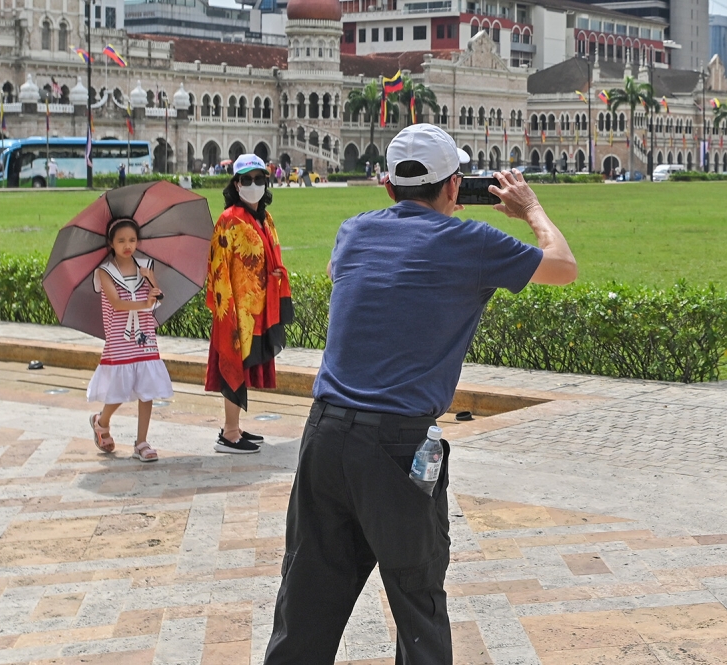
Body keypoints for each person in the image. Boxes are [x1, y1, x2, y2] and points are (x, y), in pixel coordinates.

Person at [263, 124, 577, 664]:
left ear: (387, 187)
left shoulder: (353, 230)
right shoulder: (471, 244)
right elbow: (563, 267)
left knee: (306, 602)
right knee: (417, 605)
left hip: (325, 434)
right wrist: (531, 211)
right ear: (455, 186)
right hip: (398, 445)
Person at [206, 153, 294, 454]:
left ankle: (235, 427)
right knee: (234, 364)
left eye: (259, 179)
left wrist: (274, 274)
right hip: (237, 310)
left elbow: (268, 256)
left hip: (260, 308)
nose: (253, 185)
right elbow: (218, 267)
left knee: (245, 366)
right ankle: (229, 434)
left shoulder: (264, 218)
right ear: (236, 183)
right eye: (247, 180)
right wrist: (226, 311)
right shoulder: (229, 219)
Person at [87, 218, 173, 462]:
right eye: (121, 240)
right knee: (119, 388)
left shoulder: (145, 265)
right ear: (111, 243)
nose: (128, 245)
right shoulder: (105, 272)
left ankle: (141, 442)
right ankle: (101, 421)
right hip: (119, 338)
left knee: (147, 388)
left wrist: (152, 283)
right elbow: (116, 303)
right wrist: (145, 303)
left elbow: (158, 297)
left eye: (132, 240)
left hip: (145, 337)